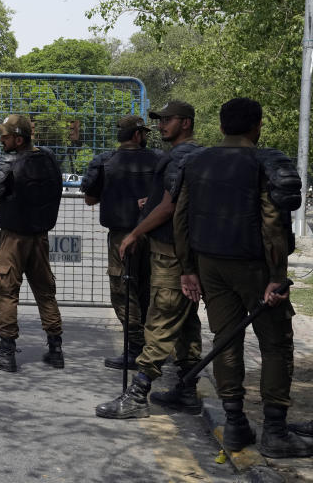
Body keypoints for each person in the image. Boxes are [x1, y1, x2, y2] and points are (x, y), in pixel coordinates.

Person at [172, 98, 310, 458]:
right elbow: (271, 222)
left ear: (220, 127)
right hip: (254, 267)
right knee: (276, 344)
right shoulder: (263, 162)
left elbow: (181, 218)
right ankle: (276, 433)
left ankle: (234, 425)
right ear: (257, 126)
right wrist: (277, 276)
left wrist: (188, 269)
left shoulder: (195, 162)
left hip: (209, 266)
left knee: (224, 340)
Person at [95, 101, 203, 419]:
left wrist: (135, 232)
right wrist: (150, 202)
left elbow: (170, 207)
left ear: (185, 122)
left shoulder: (182, 155)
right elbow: (170, 199)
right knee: (185, 323)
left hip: (172, 252)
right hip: (180, 250)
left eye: (167, 120)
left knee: (161, 321)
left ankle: (139, 393)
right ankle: (187, 389)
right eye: (159, 120)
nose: (161, 125)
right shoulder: (187, 155)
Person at [0, 114, 64, 372]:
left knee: (5, 290)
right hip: (40, 237)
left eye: (5, 136)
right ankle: (56, 348)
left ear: (18, 138)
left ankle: (7, 352)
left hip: (14, 238)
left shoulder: (8, 162)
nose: (1, 140)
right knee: (45, 291)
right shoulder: (48, 159)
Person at [81, 115, 161, 369]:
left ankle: (135, 349)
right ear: (138, 135)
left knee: (123, 291)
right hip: (155, 234)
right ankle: (153, 347)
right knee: (150, 289)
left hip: (121, 237)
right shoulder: (160, 159)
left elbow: (90, 199)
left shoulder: (105, 161)